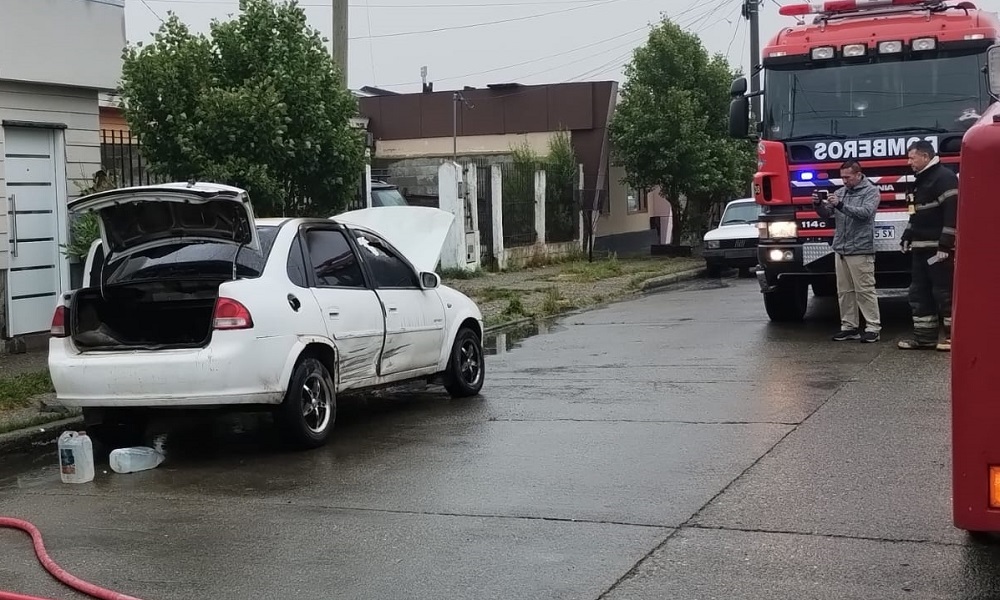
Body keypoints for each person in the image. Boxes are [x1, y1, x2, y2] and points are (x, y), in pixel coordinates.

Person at [898, 140, 958, 352]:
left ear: (925, 156)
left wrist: (945, 245)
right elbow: (915, 213)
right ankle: (925, 339)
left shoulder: (944, 178)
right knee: (919, 292)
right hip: (921, 249)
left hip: (937, 251)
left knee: (944, 292)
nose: (909, 162)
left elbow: (953, 214)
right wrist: (907, 234)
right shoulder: (921, 181)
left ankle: (955, 339)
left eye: (912, 158)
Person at [813, 160, 881, 343]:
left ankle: (873, 327)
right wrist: (819, 205)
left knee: (865, 290)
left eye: (847, 177)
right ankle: (849, 326)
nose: (844, 181)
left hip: (860, 248)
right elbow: (828, 214)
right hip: (841, 248)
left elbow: (865, 213)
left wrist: (841, 205)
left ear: (858, 175)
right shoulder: (841, 192)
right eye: (842, 177)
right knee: (844, 291)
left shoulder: (871, 191)